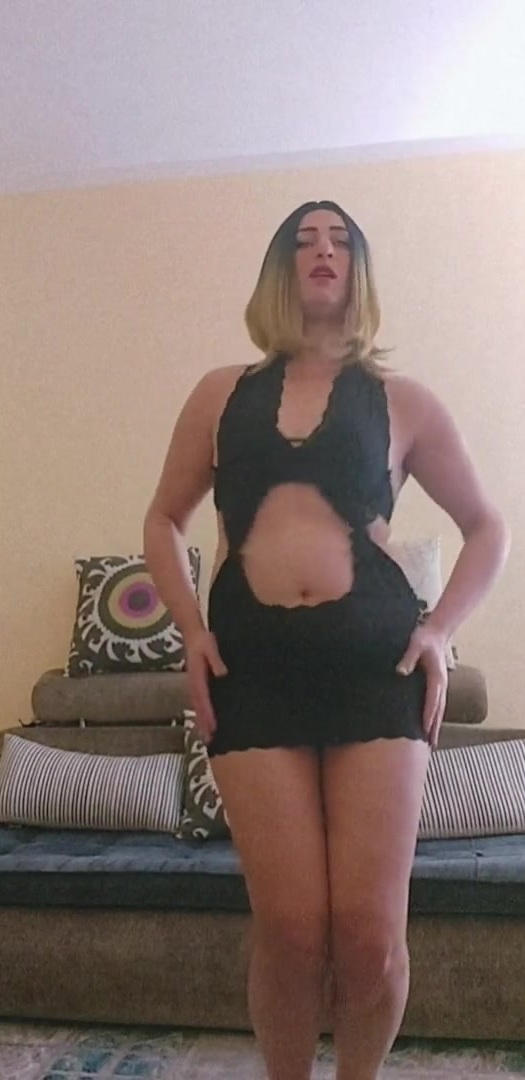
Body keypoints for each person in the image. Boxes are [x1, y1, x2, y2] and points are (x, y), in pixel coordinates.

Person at [143, 200, 509, 1080]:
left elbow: (487, 527)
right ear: (278, 268)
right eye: (303, 240)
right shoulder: (219, 393)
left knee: (370, 937)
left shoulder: (402, 401)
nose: (321, 251)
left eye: (339, 240)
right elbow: (163, 518)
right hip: (252, 675)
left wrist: (439, 631)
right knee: (292, 929)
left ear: (358, 271)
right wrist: (189, 630)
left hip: (375, 672)